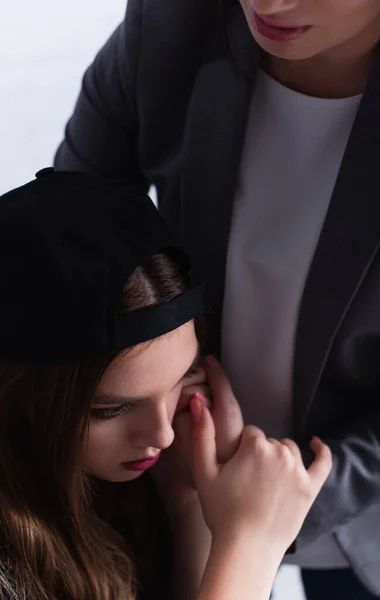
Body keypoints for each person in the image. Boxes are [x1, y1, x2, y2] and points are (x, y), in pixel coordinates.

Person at [53, 0, 380, 597]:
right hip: (162, 479)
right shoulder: (171, 25)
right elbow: (70, 242)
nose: (267, 3)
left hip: (372, 514)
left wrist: (281, 502)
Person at [0, 168, 331, 600]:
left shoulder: (132, 491)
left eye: (181, 379)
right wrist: (249, 545)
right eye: (111, 410)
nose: (164, 434)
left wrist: (190, 500)